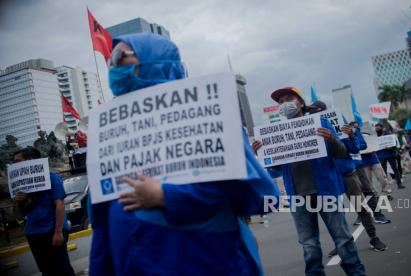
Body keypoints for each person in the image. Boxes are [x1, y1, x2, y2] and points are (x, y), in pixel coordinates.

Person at [89, 33, 279, 276]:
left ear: (154, 61)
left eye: (118, 57)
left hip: (204, 262)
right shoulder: (108, 132)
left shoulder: (209, 115)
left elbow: (262, 197)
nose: (112, 66)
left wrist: (166, 196)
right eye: (109, 60)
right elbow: (102, 227)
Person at [253, 88, 366, 276]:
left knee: (343, 238)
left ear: (300, 102)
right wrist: (263, 154)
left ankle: (356, 273)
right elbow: (276, 170)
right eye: (280, 101)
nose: (284, 103)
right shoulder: (276, 135)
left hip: (326, 191)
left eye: (289, 98)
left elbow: (342, 154)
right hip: (297, 196)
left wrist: (331, 140)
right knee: (309, 244)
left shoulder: (322, 124)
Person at [305, 103, 386, 257]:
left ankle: (374, 238)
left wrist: (351, 136)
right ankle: (340, 243)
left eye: (314, 111)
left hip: (347, 175)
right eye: (310, 111)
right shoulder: (310, 128)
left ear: (324, 111)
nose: (312, 113)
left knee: (360, 207)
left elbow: (356, 148)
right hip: (327, 177)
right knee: (335, 214)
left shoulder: (342, 124)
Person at [13, 148, 75, 276]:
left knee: (62, 270)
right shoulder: (20, 184)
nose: (15, 165)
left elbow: (60, 204)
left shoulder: (51, 177)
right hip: (33, 233)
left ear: (30, 161)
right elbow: (19, 213)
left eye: (18, 161)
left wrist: (58, 232)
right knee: (46, 271)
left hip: (51, 230)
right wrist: (18, 201)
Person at [374, 123, 404, 189]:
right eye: (376, 127)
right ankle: (386, 188)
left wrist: (389, 147)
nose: (377, 128)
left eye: (378, 127)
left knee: (395, 169)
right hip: (381, 156)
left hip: (390, 154)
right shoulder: (374, 136)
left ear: (381, 128)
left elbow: (393, 143)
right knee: (383, 172)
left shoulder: (387, 134)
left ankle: (399, 184)